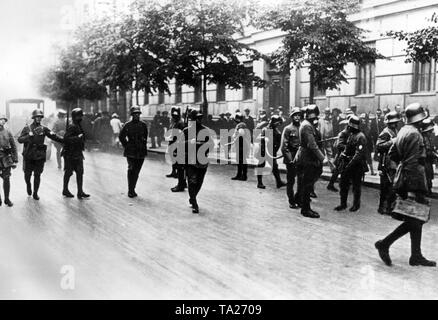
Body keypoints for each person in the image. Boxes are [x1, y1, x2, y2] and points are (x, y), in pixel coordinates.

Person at [375, 103, 436, 267]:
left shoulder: (402, 131)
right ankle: (385, 244)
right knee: (415, 218)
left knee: (417, 217)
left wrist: (401, 170)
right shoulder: (415, 134)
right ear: (420, 118)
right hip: (413, 180)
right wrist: (415, 188)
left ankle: (415, 255)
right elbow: (415, 163)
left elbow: (392, 154)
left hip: (404, 177)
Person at [18, 109, 63, 200]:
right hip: (29, 154)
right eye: (36, 117)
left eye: (40, 117)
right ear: (34, 118)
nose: (38, 118)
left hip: (39, 155)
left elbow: (53, 136)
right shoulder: (27, 128)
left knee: (37, 175)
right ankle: (28, 185)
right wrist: (28, 136)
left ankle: (35, 193)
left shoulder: (44, 128)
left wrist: (64, 140)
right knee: (27, 175)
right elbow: (20, 139)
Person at [178, 108, 214, 213]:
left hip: (202, 160)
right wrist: (190, 142)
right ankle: (194, 202)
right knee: (192, 181)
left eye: (200, 118)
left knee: (199, 182)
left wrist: (202, 146)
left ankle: (192, 197)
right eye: (196, 118)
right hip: (190, 160)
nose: (199, 120)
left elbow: (211, 144)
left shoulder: (205, 130)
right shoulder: (186, 131)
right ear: (192, 119)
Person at [294, 105, 326, 218]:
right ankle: (305, 209)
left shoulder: (308, 124)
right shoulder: (307, 126)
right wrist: (323, 158)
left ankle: (298, 198)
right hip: (307, 158)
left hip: (307, 157)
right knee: (308, 184)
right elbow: (312, 145)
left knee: (305, 182)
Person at [334, 115, 368, 212]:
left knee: (356, 186)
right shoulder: (352, 135)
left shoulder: (360, 137)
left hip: (356, 165)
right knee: (343, 184)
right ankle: (343, 204)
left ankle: (356, 205)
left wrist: (348, 166)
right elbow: (347, 148)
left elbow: (358, 154)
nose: (348, 128)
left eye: (350, 126)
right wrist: (343, 156)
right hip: (347, 163)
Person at [119, 106, 148, 198]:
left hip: (140, 151)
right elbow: (121, 137)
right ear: (132, 115)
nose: (137, 115)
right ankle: (130, 190)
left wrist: (142, 145)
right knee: (131, 169)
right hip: (131, 151)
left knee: (136, 172)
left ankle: (133, 188)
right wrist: (126, 145)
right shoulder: (127, 125)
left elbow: (145, 137)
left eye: (138, 114)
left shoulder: (143, 125)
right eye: (135, 114)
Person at [61, 108, 90, 199]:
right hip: (70, 153)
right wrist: (78, 137)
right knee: (69, 172)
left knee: (80, 172)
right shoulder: (72, 126)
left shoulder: (78, 125)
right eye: (78, 116)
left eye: (80, 116)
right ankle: (65, 190)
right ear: (74, 117)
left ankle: (80, 191)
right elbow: (67, 139)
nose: (80, 117)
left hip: (77, 153)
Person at [376, 111, 401, 215]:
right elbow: (379, 146)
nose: (395, 124)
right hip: (386, 164)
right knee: (386, 187)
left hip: (394, 163)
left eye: (396, 122)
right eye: (393, 122)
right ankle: (383, 208)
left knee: (392, 187)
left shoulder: (395, 131)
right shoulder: (385, 133)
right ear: (389, 123)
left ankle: (390, 207)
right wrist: (392, 141)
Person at [281, 108, 301, 208]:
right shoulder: (288, 129)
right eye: (295, 115)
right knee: (291, 180)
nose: (297, 117)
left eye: (298, 115)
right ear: (292, 117)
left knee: (301, 180)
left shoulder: (303, 128)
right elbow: (284, 147)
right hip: (292, 157)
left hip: (301, 158)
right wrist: (290, 160)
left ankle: (298, 198)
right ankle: (291, 201)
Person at [167, 107, 187, 192]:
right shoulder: (177, 122)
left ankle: (181, 185)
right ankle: (182, 183)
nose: (173, 117)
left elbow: (180, 135)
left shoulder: (180, 123)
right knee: (180, 166)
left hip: (178, 146)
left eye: (175, 116)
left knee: (180, 167)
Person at [0, 115, 18, 207]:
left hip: (6, 159)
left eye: (4, 120)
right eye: (1, 119)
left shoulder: (7, 132)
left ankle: (7, 199)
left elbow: (14, 146)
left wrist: (15, 159)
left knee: (6, 179)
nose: (3, 121)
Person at [231, 113, 251, 181]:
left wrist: (234, 139)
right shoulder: (242, 124)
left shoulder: (241, 125)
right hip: (241, 144)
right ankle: (239, 175)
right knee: (240, 160)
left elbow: (241, 133)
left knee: (242, 160)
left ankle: (243, 176)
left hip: (242, 144)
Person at [421, 118, 437, 196]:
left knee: (429, 176)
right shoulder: (423, 138)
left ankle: (428, 190)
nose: (431, 131)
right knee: (426, 176)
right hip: (424, 161)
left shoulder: (428, 137)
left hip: (428, 161)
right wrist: (434, 155)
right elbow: (425, 151)